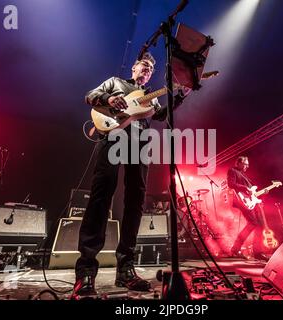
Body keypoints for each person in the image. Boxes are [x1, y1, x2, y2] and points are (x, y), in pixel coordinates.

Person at [73, 52, 185, 297]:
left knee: (136, 202)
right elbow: (90, 96)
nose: (146, 72)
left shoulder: (149, 96)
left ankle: (126, 269)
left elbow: (160, 116)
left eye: (150, 71)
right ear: (134, 67)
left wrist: (179, 96)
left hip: (139, 143)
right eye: (143, 67)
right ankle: (86, 271)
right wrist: (109, 98)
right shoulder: (115, 82)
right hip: (112, 137)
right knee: (101, 197)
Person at [227, 156, 266, 261]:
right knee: (253, 223)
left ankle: (257, 251)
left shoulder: (244, 175)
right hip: (242, 201)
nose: (247, 166)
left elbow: (252, 192)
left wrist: (260, 195)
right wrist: (245, 188)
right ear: (239, 163)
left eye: (248, 164)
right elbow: (231, 184)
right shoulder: (232, 171)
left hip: (250, 201)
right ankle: (236, 249)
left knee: (260, 225)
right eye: (245, 164)